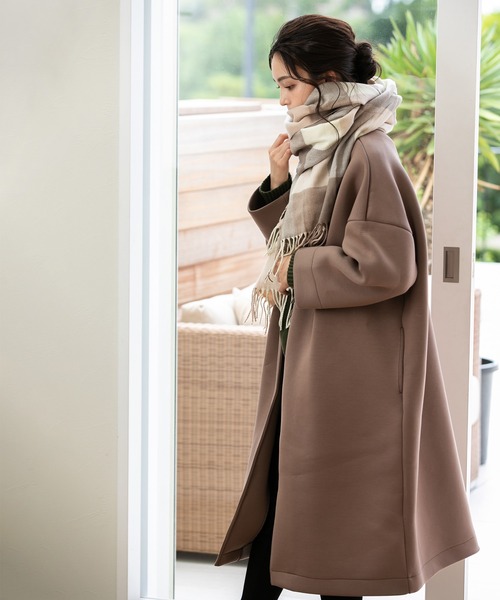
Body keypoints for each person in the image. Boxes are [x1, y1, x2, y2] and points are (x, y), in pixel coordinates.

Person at [215, 14, 479, 599]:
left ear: (329, 81)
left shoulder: (367, 151)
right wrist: (279, 181)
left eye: (289, 85)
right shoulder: (327, 148)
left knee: (334, 530)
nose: (282, 99)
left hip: (351, 370)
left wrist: (296, 271)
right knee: (290, 508)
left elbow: (386, 266)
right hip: (317, 356)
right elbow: (299, 241)